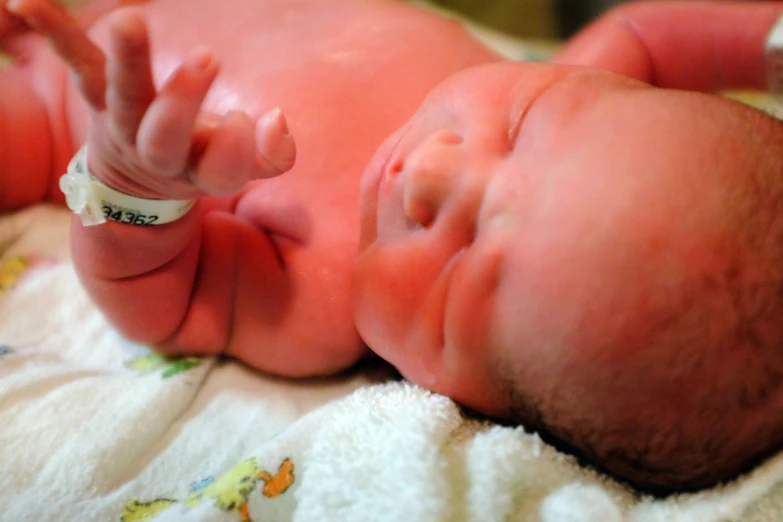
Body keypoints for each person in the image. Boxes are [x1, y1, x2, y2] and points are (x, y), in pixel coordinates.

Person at [2, 0, 783, 492]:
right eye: (520, 128)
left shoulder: (318, 301)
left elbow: (158, 299)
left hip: (55, 104)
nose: (435, 169)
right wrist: (769, 38)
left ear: (465, 392)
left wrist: (132, 182)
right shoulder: (571, 82)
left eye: (465, 258)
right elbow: (645, 30)